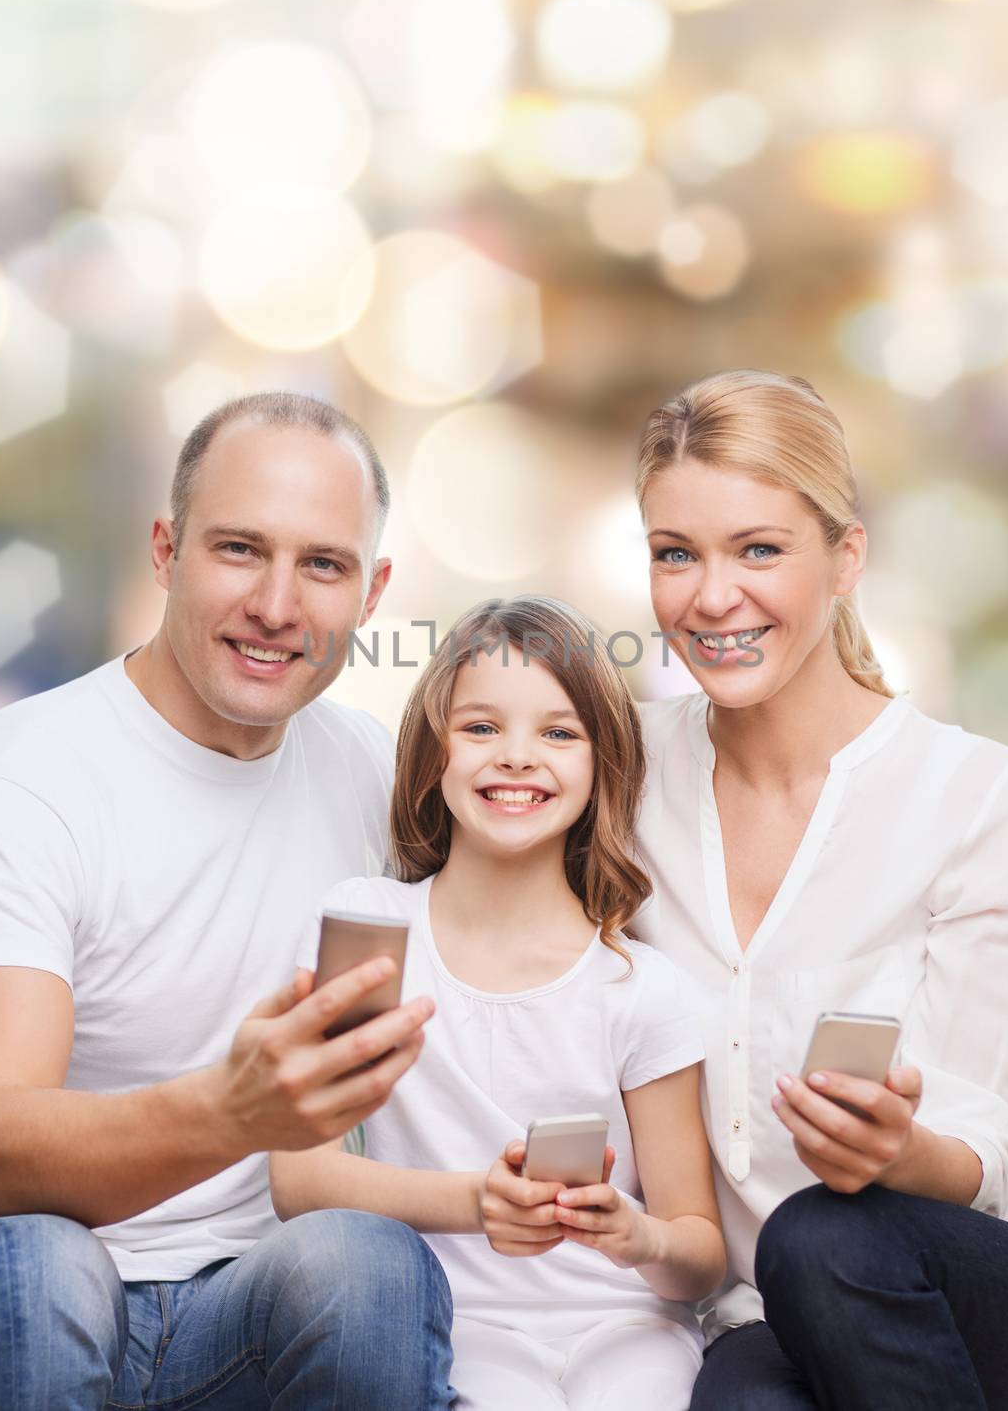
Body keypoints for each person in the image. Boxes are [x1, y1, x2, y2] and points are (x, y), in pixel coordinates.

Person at [0, 393, 454, 1410]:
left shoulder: (367, 772)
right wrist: (228, 1112)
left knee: (367, 1265)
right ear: (166, 551)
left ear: (373, 588)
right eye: (238, 550)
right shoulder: (19, 784)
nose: (275, 605)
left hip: (229, 1313)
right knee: (41, 1272)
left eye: (322, 565)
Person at [628, 370, 1008, 1411]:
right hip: (776, 1307)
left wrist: (899, 1148)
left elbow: (977, 1151)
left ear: (845, 558)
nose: (711, 597)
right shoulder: (620, 777)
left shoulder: (970, 794)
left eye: (759, 549)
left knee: (822, 1235)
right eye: (675, 554)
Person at [271, 596, 727, 1411]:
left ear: (601, 767)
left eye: (558, 733)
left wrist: (639, 1232)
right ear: (432, 755)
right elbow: (299, 1177)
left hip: (630, 1325)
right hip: (461, 1323)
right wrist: (473, 1205)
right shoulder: (372, 928)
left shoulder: (642, 989)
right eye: (482, 728)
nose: (517, 757)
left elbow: (697, 1250)